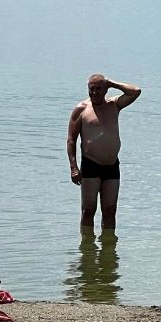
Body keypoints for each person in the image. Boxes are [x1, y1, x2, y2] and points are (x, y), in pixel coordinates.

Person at [67, 74, 141, 230]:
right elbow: (71, 140)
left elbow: (135, 91)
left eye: (98, 89)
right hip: (91, 164)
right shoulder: (81, 109)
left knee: (110, 210)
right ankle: (87, 251)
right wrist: (73, 167)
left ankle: (108, 250)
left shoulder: (114, 105)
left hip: (112, 166)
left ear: (105, 89)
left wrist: (112, 83)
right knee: (88, 211)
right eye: (91, 89)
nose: (94, 93)